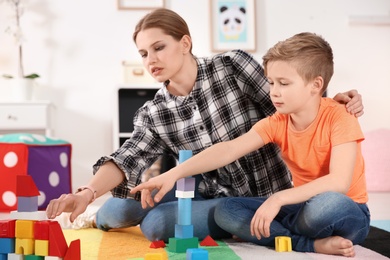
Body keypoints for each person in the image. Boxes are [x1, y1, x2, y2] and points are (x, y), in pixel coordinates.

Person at [46, 8, 364, 243]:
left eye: (159, 47)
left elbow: (292, 96)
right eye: (143, 53)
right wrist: (87, 192)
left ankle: (252, 227)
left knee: (155, 226)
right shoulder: (154, 110)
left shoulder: (231, 67)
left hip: (269, 194)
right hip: (207, 193)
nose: (150, 60)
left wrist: (329, 99)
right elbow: (129, 155)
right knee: (116, 212)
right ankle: (93, 212)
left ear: (185, 43)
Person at [130, 32, 369, 257]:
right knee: (227, 209)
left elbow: (339, 182)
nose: (274, 92)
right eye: (271, 83)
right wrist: (175, 173)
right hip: (299, 207)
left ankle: (280, 230)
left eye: (283, 83)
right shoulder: (277, 121)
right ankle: (305, 243)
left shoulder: (340, 116)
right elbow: (229, 149)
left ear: (316, 85)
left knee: (327, 205)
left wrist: (277, 199)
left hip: (345, 211)